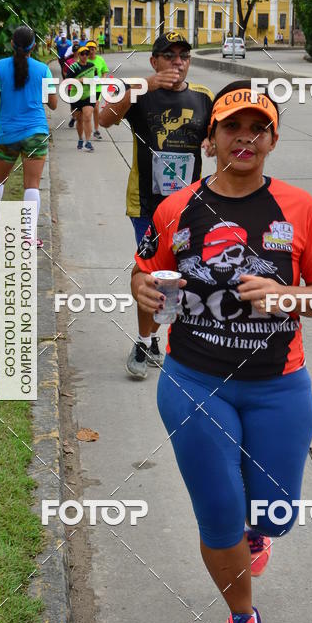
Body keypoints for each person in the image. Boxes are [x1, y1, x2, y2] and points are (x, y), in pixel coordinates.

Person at [130, 80, 312, 623]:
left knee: (275, 512)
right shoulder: (177, 209)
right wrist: (142, 291)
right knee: (219, 510)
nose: (244, 139)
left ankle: (259, 529)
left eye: (257, 129)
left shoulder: (298, 208)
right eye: (231, 128)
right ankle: (242, 618)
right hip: (194, 382)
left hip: (280, 386)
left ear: (273, 139)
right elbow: (147, 293)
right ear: (211, 139)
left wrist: (288, 296)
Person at [98, 31, 213, 378]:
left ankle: (162, 340)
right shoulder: (140, 94)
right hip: (147, 204)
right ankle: (144, 340)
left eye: (184, 56)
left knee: (181, 275)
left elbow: (219, 134)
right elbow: (104, 118)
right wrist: (145, 84)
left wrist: (212, 141)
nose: (177, 62)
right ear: (154, 61)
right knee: (149, 273)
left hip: (189, 206)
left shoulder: (203, 97)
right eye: (169, 55)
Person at [0, 25, 57, 247]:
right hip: (36, 132)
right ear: (34, 46)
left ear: (12, 43)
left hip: (7, 133)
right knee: (32, 184)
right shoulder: (43, 70)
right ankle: (29, 237)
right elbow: (53, 103)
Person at [66, 46, 101, 152]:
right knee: (79, 120)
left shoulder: (92, 66)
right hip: (76, 96)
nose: (85, 56)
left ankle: (88, 142)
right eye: (82, 54)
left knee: (87, 117)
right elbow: (68, 81)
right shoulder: (73, 67)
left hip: (89, 95)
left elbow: (96, 80)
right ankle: (80, 139)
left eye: (87, 54)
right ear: (78, 55)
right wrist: (79, 80)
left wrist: (95, 94)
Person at [85, 40, 110, 140]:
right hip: (85, 88)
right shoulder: (84, 59)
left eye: (93, 49)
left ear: (96, 49)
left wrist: (103, 78)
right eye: (89, 49)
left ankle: (96, 130)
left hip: (97, 88)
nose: (91, 51)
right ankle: (87, 129)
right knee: (86, 111)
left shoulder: (100, 60)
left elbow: (104, 71)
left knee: (95, 108)